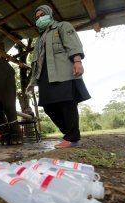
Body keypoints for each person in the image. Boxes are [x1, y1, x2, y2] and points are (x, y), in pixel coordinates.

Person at [27, 5, 91, 148]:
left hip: (63, 72)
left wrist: (77, 61)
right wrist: (33, 80)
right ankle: (69, 133)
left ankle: (72, 138)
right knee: (48, 106)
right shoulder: (40, 38)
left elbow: (72, 44)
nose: (39, 19)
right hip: (45, 76)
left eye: (42, 15)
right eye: (37, 18)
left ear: (50, 14)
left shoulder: (62, 26)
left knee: (67, 104)